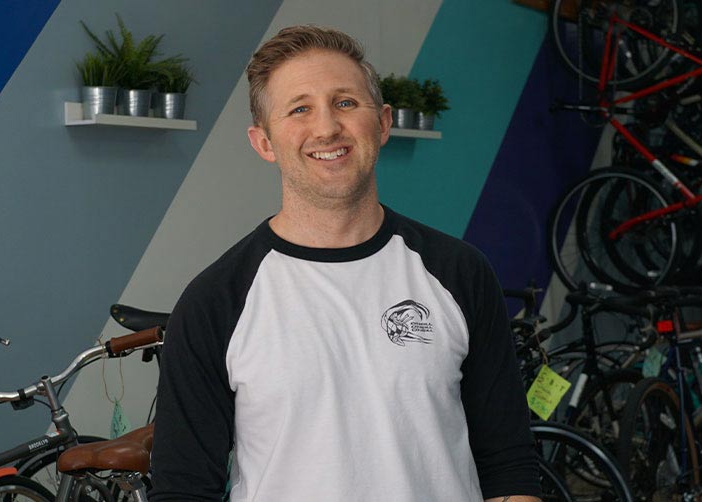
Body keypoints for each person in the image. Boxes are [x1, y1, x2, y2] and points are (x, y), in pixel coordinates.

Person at [149, 25, 542, 502]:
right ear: (264, 143)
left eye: (345, 102)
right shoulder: (217, 300)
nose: (327, 128)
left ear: (382, 123)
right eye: (299, 109)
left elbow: (508, 464)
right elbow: (184, 488)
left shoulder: (459, 273)